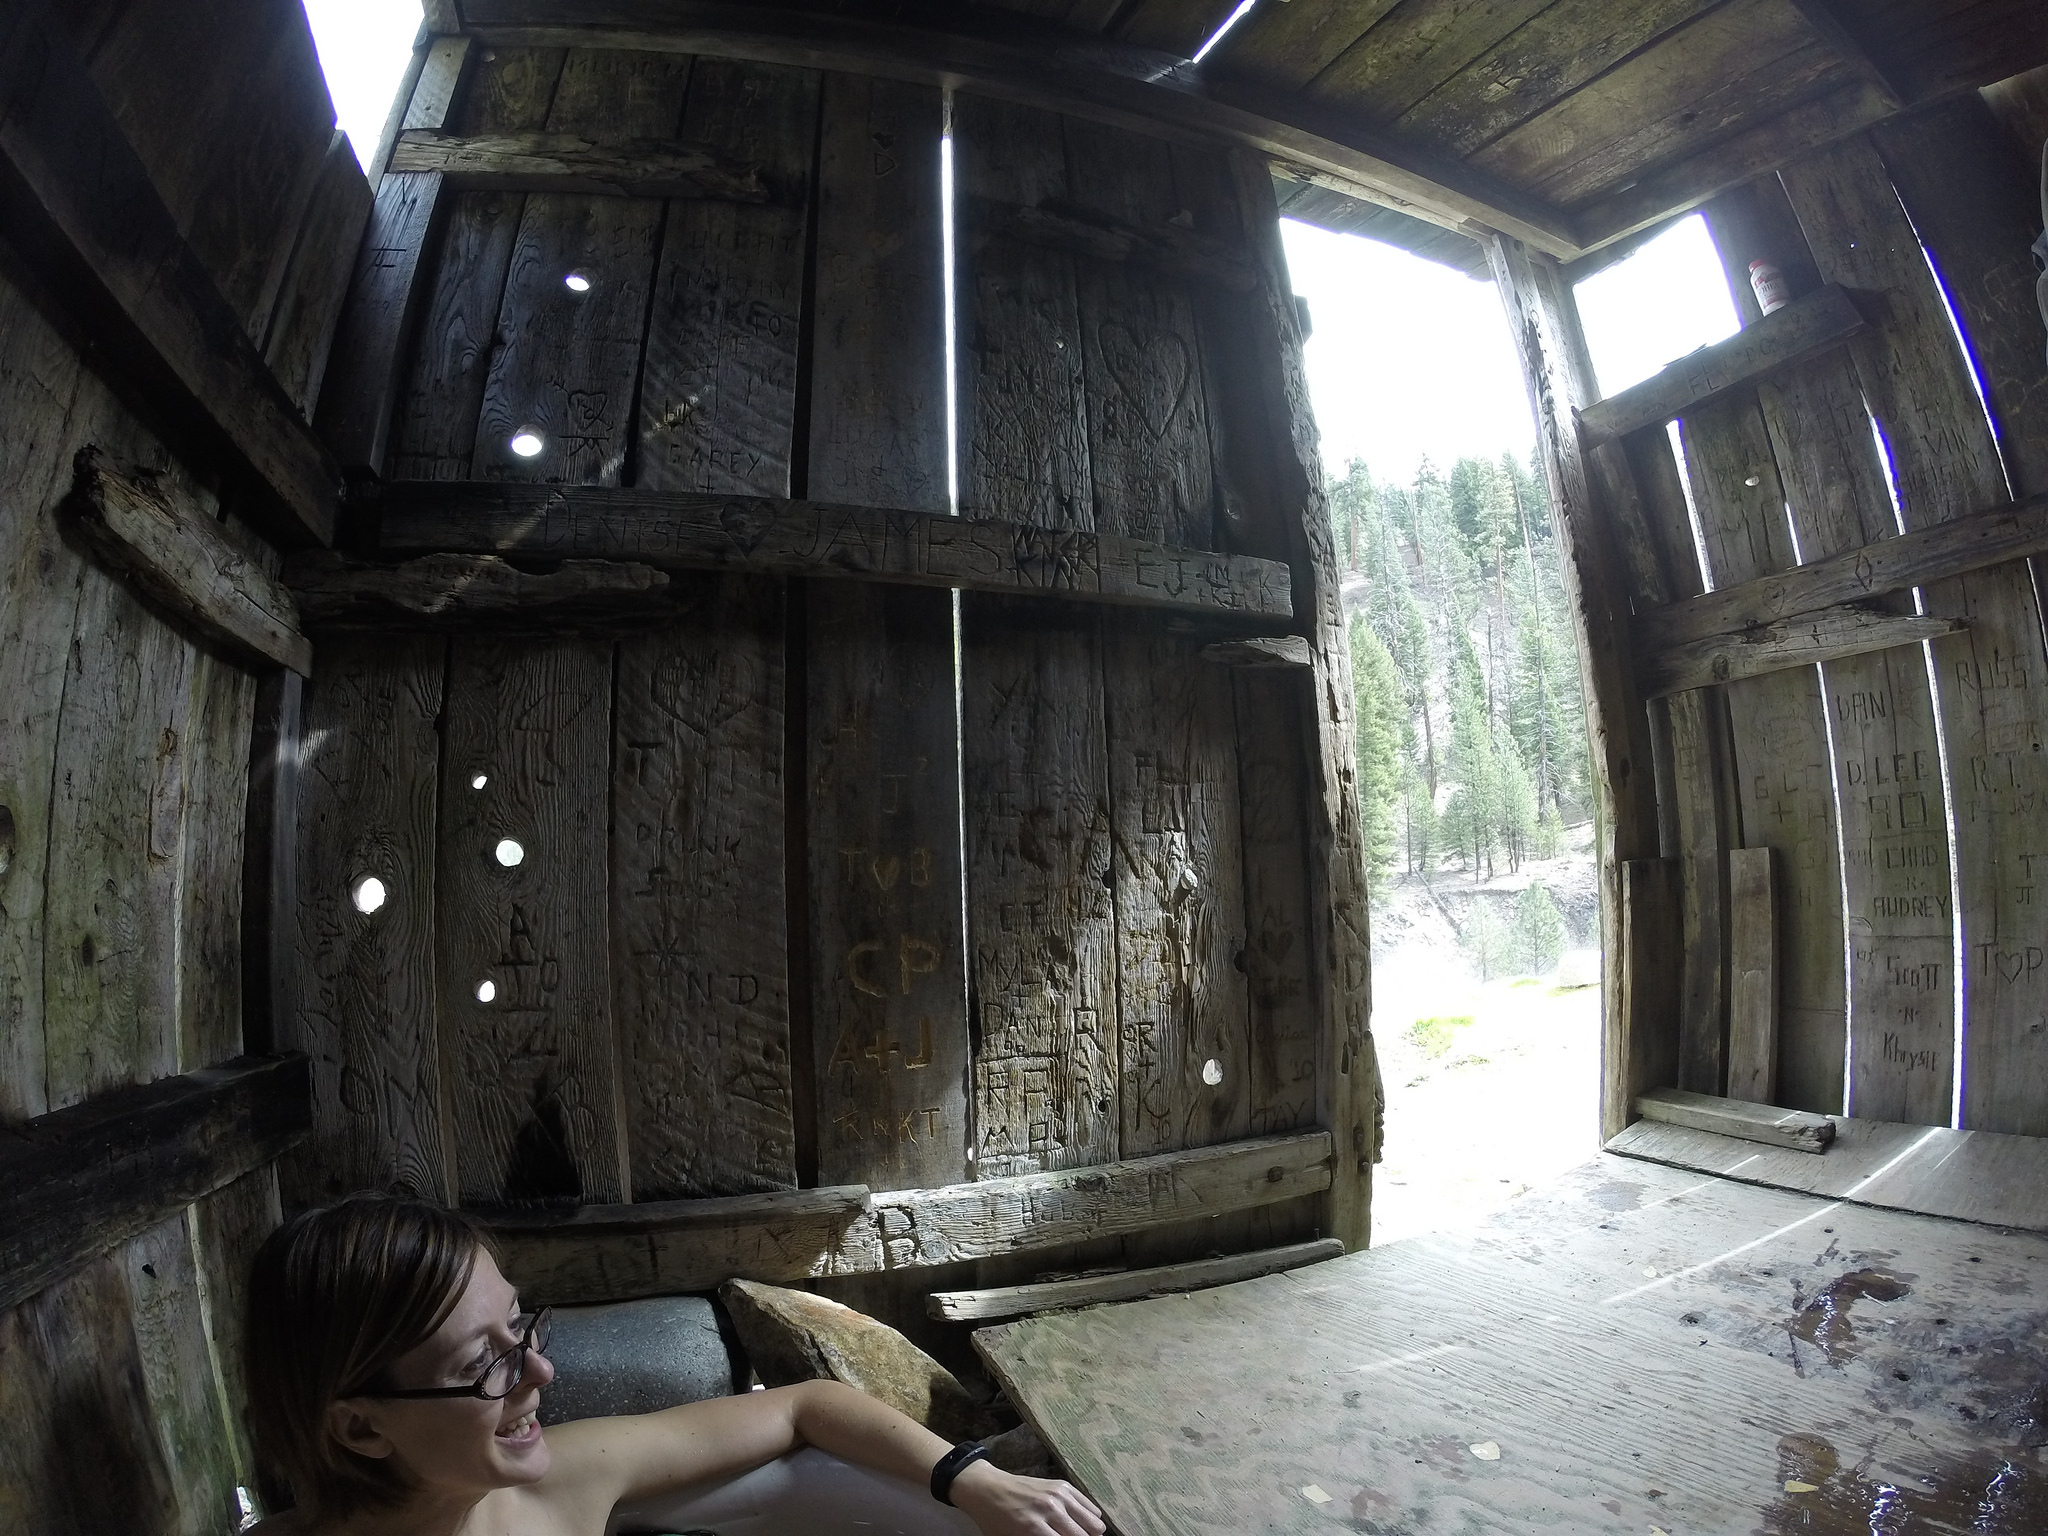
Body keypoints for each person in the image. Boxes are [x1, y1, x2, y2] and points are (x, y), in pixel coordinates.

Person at [243, 1194, 1105, 1536]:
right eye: (486, 1364)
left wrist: (973, 1482)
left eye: (522, 1327)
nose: (539, 1374)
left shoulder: (557, 1487)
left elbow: (804, 1406)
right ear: (361, 1428)